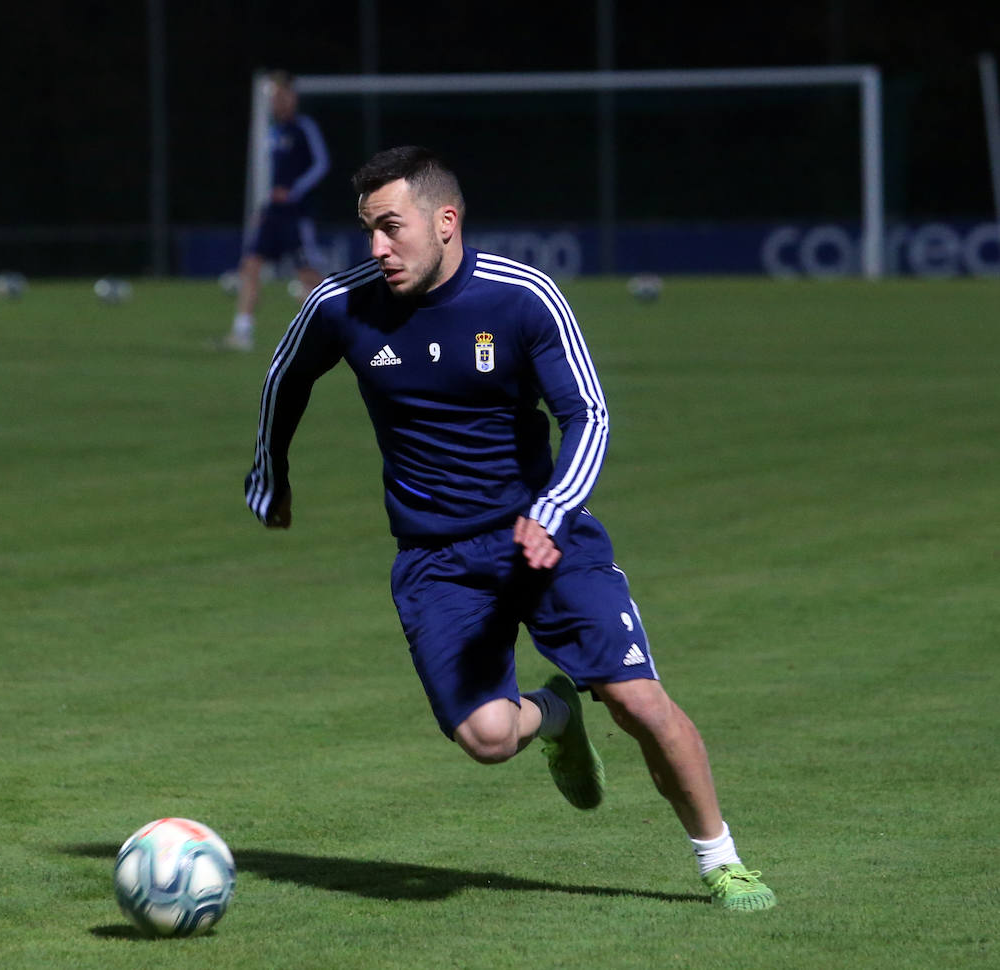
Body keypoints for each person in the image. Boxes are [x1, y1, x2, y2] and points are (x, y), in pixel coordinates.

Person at [244, 146, 776, 911]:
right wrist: (271, 476)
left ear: (445, 220)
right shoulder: (341, 304)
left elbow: (588, 414)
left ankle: (721, 860)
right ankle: (555, 715)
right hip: (436, 558)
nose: (378, 247)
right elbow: (284, 375)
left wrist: (552, 510)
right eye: (368, 231)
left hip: (544, 536)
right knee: (489, 738)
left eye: (391, 227)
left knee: (636, 700)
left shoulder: (521, 297)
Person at [219, 71, 329, 352]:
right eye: (274, 97)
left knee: (308, 276)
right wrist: (264, 206)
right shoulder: (273, 132)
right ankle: (242, 333)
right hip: (272, 213)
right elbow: (271, 177)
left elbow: (321, 164)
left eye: (281, 96)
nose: (276, 102)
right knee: (250, 266)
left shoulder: (304, 127)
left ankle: (344, 323)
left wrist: (294, 191)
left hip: (296, 214)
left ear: (292, 97)